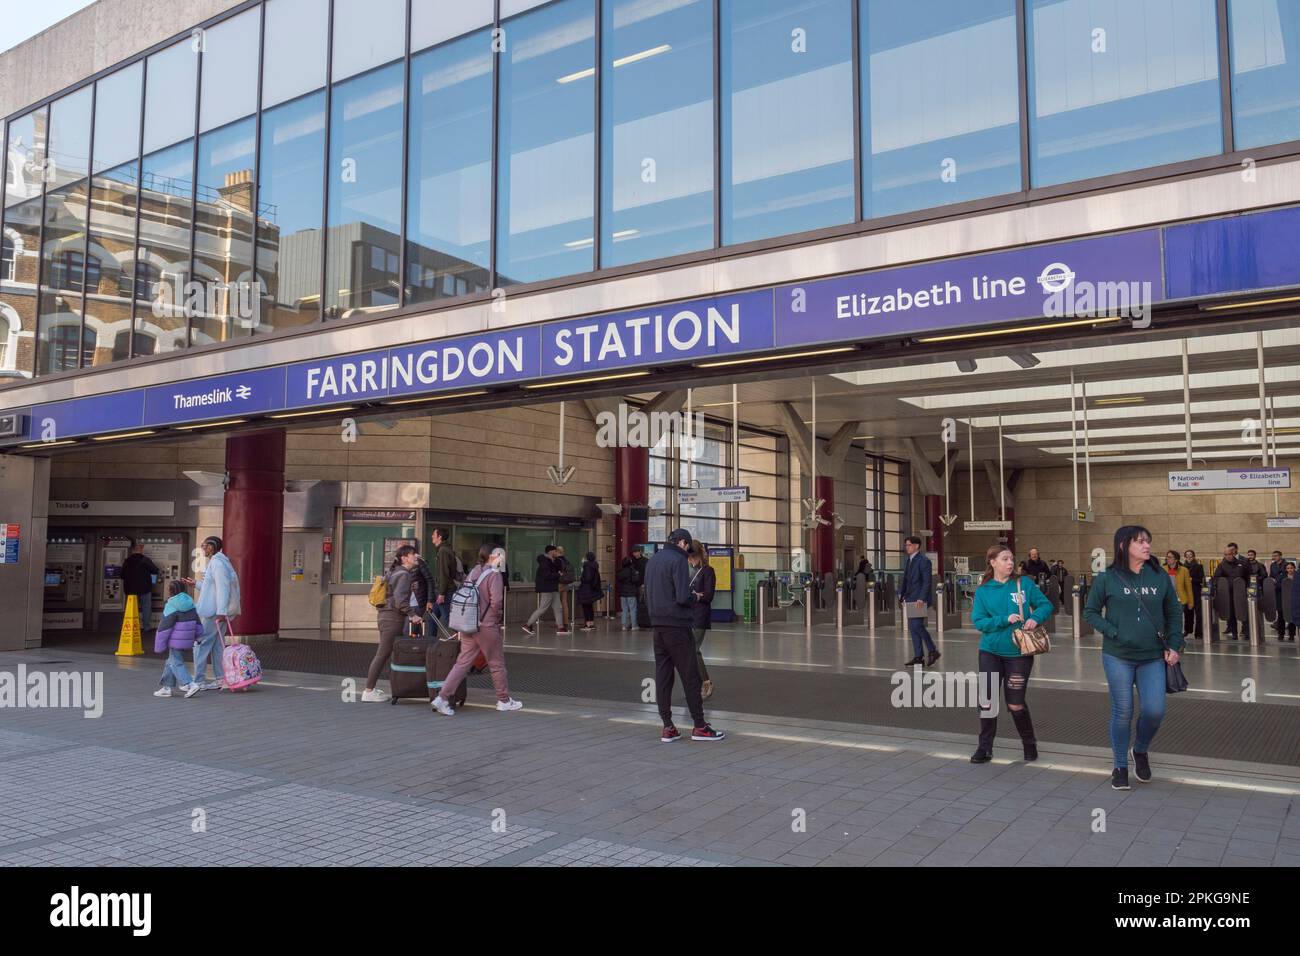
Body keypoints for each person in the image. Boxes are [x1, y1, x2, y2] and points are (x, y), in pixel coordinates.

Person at [1084, 526, 1184, 791]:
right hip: (1118, 656)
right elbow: (1090, 612)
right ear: (1123, 545)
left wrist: (1175, 645)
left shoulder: (1159, 576)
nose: (1146, 545)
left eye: (1148, 541)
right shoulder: (1107, 577)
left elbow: (1174, 612)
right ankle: (1120, 765)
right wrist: (1113, 632)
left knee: (1154, 710)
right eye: (1140, 541)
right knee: (1123, 711)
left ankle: (1139, 750)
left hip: (1153, 656)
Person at [969, 545, 1051, 764]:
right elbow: (978, 621)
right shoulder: (984, 591)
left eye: (1012, 559)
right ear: (992, 562)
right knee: (987, 702)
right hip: (990, 652)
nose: (1010, 563)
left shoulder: (1024, 584)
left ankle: (1029, 743)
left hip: (1019, 654)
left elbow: (1045, 604)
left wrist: (1037, 618)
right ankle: (985, 747)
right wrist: (1003, 619)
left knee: (1015, 704)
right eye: (1005, 559)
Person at [644, 528, 724, 742]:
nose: (687, 550)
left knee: (663, 676)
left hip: (657, 626)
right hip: (677, 627)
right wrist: (695, 596)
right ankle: (700, 726)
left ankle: (668, 727)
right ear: (681, 542)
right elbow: (682, 596)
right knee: (690, 676)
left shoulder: (653, 560)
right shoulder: (678, 560)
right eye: (687, 546)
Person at [431, 546, 523, 716]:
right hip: (486, 626)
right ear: (494, 556)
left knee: (462, 663)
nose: (502, 559)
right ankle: (503, 700)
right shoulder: (494, 575)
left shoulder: (474, 571)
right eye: (501, 556)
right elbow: (496, 602)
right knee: (497, 664)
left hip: (468, 624)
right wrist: (496, 618)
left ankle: (442, 697)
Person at [362, 545, 424, 703]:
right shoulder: (403, 574)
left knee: (386, 654)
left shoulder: (395, 572)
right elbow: (400, 600)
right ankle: (368, 690)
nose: (416, 556)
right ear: (404, 558)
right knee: (382, 654)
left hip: (385, 616)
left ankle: (383, 687)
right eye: (413, 554)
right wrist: (413, 615)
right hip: (392, 619)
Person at [185, 535, 241, 691]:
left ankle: (199, 680)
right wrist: (195, 584)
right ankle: (220, 678)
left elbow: (223, 588)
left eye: (205, 545)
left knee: (201, 644)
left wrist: (221, 612)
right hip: (217, 612)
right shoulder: (220, 562)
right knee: (217, 645)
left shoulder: (217, 563)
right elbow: (215, 588)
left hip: (213, 613)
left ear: (212, 546)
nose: (203, 548)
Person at [152, 580, 202, 699]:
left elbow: (164, 627)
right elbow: (197, 622)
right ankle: (166, 687)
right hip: (187, 639)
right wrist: (199, 636)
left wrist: (159, 645)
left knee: (176, 662)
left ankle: (190, 684)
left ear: (170, 591)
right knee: (171, 661)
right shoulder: (190, 603)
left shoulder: (171, 605)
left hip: (175, 640)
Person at [900, 535, 939, 667]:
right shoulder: (909, 560)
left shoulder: (924, 561)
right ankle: (918, 657)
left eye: (909, 545)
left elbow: (927, 582)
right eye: (906, 545)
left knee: (917, 625)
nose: (907, 547)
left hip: (919, 599)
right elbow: (906, 579)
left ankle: (933, 650)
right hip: (910, 597)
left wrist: (921, 598)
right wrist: (902, 594)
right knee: (912, 627)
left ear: (916, 546)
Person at [687, 541, 717, 700]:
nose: (690, 561)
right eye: (689, 558)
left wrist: (697, 596)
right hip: (686, 615)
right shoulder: (686, 570)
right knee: (688, 651)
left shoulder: (708, 571)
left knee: (694, 649)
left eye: (692, 557)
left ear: (699, 556)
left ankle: (706, 682)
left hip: (699, 615)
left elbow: (709, 595)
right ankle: (695, 685)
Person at [522, 545, 568, 636]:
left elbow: (558, 569)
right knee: (542, 608)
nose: (556, 553)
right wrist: (558, 574)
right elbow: (547, 575)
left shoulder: (554, 561)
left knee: (558, 608)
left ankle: (560, 627)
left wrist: (558, 573)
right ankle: (528, 625)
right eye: (555, 551)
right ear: (551, 552)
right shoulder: (544, 562)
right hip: (547, 588)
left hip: (553, 588)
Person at [1211, 543, 1250, 639]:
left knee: (1244, 612)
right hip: (1228, 594)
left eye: (1229, 554)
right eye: (1225, 555)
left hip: (1241, 593)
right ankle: (1234, 633)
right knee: (1231, 614)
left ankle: (1246, 632)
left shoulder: (1243, 563)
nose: (1227, 556)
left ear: (1233, 554)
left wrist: (1248, 588)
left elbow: (1248, 576)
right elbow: (1216, 577)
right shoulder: (1222, 565)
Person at [121, 540, 160, 633]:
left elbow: (122, 575)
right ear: (140, 550)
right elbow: (155, 570)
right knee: (146, 607)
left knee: (131, 609)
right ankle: (146, 627)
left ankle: (131, 628)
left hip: (130, 590)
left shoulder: (127, 561)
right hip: (145, 589)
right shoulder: (145, 560)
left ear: (133, 550)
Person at [429, 528, 459, 630]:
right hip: (443, 590)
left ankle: (463, 640)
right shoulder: (444, 550)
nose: (432, 536)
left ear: (439, 537)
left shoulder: (443, 551)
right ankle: (432, 643)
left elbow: (444, 573)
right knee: (432, 618)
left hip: (445, 591)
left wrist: (441, 593)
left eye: (434, 534)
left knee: (448, 619)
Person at [1164, 550, 1194, 638]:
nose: (1167, 559)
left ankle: (1179, 640)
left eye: (1170, 557)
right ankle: (1169, 639)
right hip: (1167, 599)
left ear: (1176, 559)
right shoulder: (1163, 569)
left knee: (1177, 621)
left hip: (1179, 600)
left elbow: (1188, 587)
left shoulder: (1184, 570)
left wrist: (1191, 602)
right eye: (1167, 557)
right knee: (1167, 621)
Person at [576, 550, 602, 631]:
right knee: (590, 606)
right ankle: (591, 623)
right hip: (591, 589)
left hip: (586, 589)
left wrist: (581, 578)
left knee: (586, 607)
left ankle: (588, 624)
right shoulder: (595, 565)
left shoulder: (587, 566)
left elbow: (587, 578)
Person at [1183, 549, 1205, 640]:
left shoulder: (1198, 566)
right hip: (1186, 592)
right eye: (1187, 555)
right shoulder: (1182, 567)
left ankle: (1198, 632)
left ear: (1194, 556)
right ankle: (1188, 630)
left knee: (1198, 613)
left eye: (1190, 555)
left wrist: (1192, 579)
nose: (1189, 557)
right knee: (1187, 612)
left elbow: (1201, 580)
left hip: (1195, 591)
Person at [616, 556, 641, 630]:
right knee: (633, 609)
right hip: (631, 593)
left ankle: (624, 626)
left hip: (623, 594)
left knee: (624, 610)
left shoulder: (620, 571)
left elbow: (619, 582)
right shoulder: (632, 571)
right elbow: (636, 580)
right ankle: (634, 626)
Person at [555, 545, 575, 632]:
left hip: (559, 583)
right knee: (564, 602)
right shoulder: (566, 560)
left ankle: (559, 623)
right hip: (566, 583)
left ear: (557, 552)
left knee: (556, 603)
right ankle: (566, 622)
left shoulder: (557, 561)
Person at [1280, 561, 1297, 642]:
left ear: (1294, 568)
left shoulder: (1297, 577)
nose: (1289, 570)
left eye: (1291, 568)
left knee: (1292, 618)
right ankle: (1281, 634)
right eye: (1288, 568)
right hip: (1283, 601)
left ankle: (1291, 635)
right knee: (1282, 617)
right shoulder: (1282, 577)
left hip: (1294, 600)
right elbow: (1277, 586)